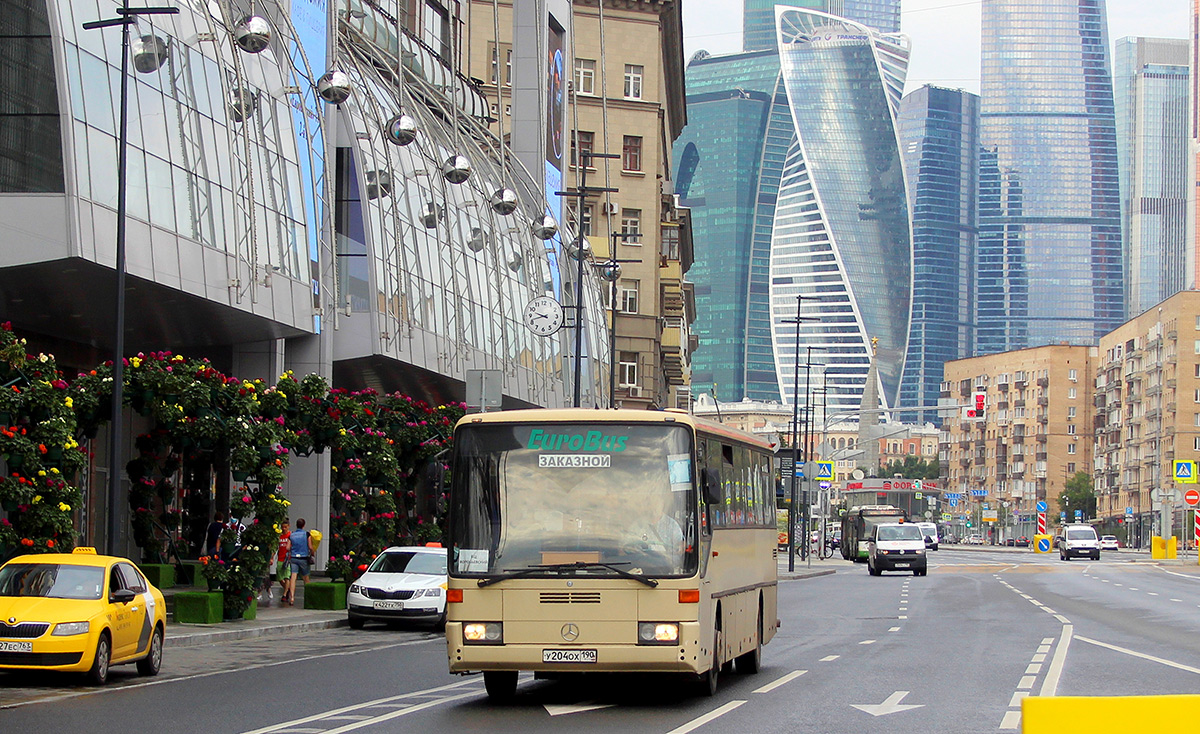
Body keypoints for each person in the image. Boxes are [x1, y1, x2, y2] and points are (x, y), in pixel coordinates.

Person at [285, 518, 315, 606]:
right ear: (303, 525)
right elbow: (310, 546)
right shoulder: (306, 534)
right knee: (306, 578)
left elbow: (287, 548)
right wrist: (312, 553)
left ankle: (292, 597)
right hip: (303, 558)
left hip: (294, 558)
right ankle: (308, 597)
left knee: (293, 577)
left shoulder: (292, 535)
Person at [275, 521, 292, 604]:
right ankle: (288, 588)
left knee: (286, 576)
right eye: (282, 527)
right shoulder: (279, 536)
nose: (284, 529)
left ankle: (285, 594)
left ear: (288, 526)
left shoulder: (290, 535)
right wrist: (272, 557)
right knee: (280, 578)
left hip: (287, 559)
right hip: (280, 558)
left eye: (285, 527)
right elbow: (276, 547)